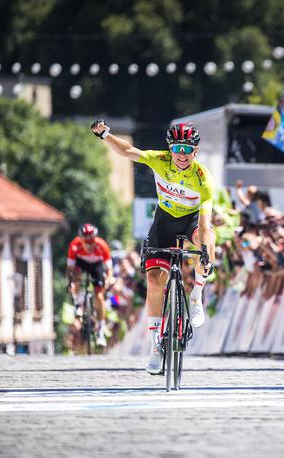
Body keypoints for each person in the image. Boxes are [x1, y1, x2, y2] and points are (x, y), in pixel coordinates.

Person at [91, 120, 215, 374]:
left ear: (196, 150)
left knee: (209, 240)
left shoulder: (202, 177)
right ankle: (156, 346)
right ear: (170, 148)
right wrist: (105, 135)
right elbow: (128, 151)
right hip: (165, 221)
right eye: (177, 148)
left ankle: (196, 295)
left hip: (192, 221)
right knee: (155, 281)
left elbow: (205, 222)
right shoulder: (160, 160)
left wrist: (203, 252)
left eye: (187, 149)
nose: (182, 154)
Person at [66, 223, 113, 347]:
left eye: (91, 242)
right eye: (86, 242)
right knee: (75, 275)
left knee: (99, 295)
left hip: (96, 266)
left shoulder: (102, 245)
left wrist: (108, 280)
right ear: (80, 240)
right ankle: (77, 304)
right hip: (80, 263)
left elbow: (109, 270)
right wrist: (71, 282)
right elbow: (70, 268)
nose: (89, 245)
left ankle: (101, 331)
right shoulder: (74, 246)